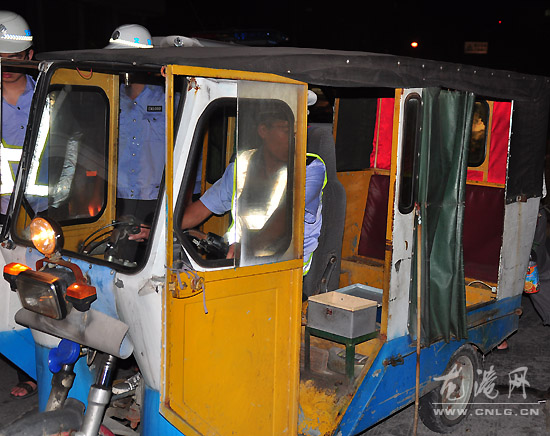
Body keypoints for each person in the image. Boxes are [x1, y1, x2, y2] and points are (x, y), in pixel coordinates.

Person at [181, 109, 326, 275]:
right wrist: (166, 228)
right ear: (263, 130)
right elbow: (200, 209)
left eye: (298, 133)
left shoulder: (309, 168)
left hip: (286, 271)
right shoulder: (242, 165)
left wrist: (246, 248)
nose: (295, 139)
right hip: (239, 263)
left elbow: (282, 220)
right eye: (286, 131)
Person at [0, 10, 38, 399]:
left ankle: (37, 372)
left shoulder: (53, 91)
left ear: (30, 55)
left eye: (13, 58)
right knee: (5, 292)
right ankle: (23, 368)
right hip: (1, 213)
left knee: (39, 291)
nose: (6, 67)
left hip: (46, 212)